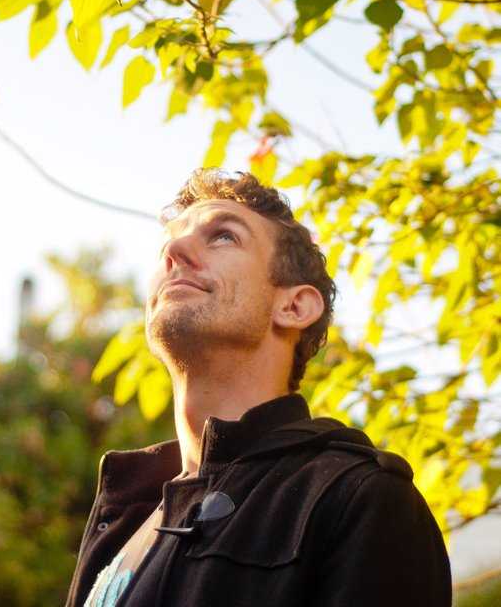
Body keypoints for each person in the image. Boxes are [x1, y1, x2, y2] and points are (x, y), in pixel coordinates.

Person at [64, 168, 451, 607]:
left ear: (294, 305)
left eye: (224, 237)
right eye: (167, 243)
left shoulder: (360, 500)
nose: (174, 250)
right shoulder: (123, 518)